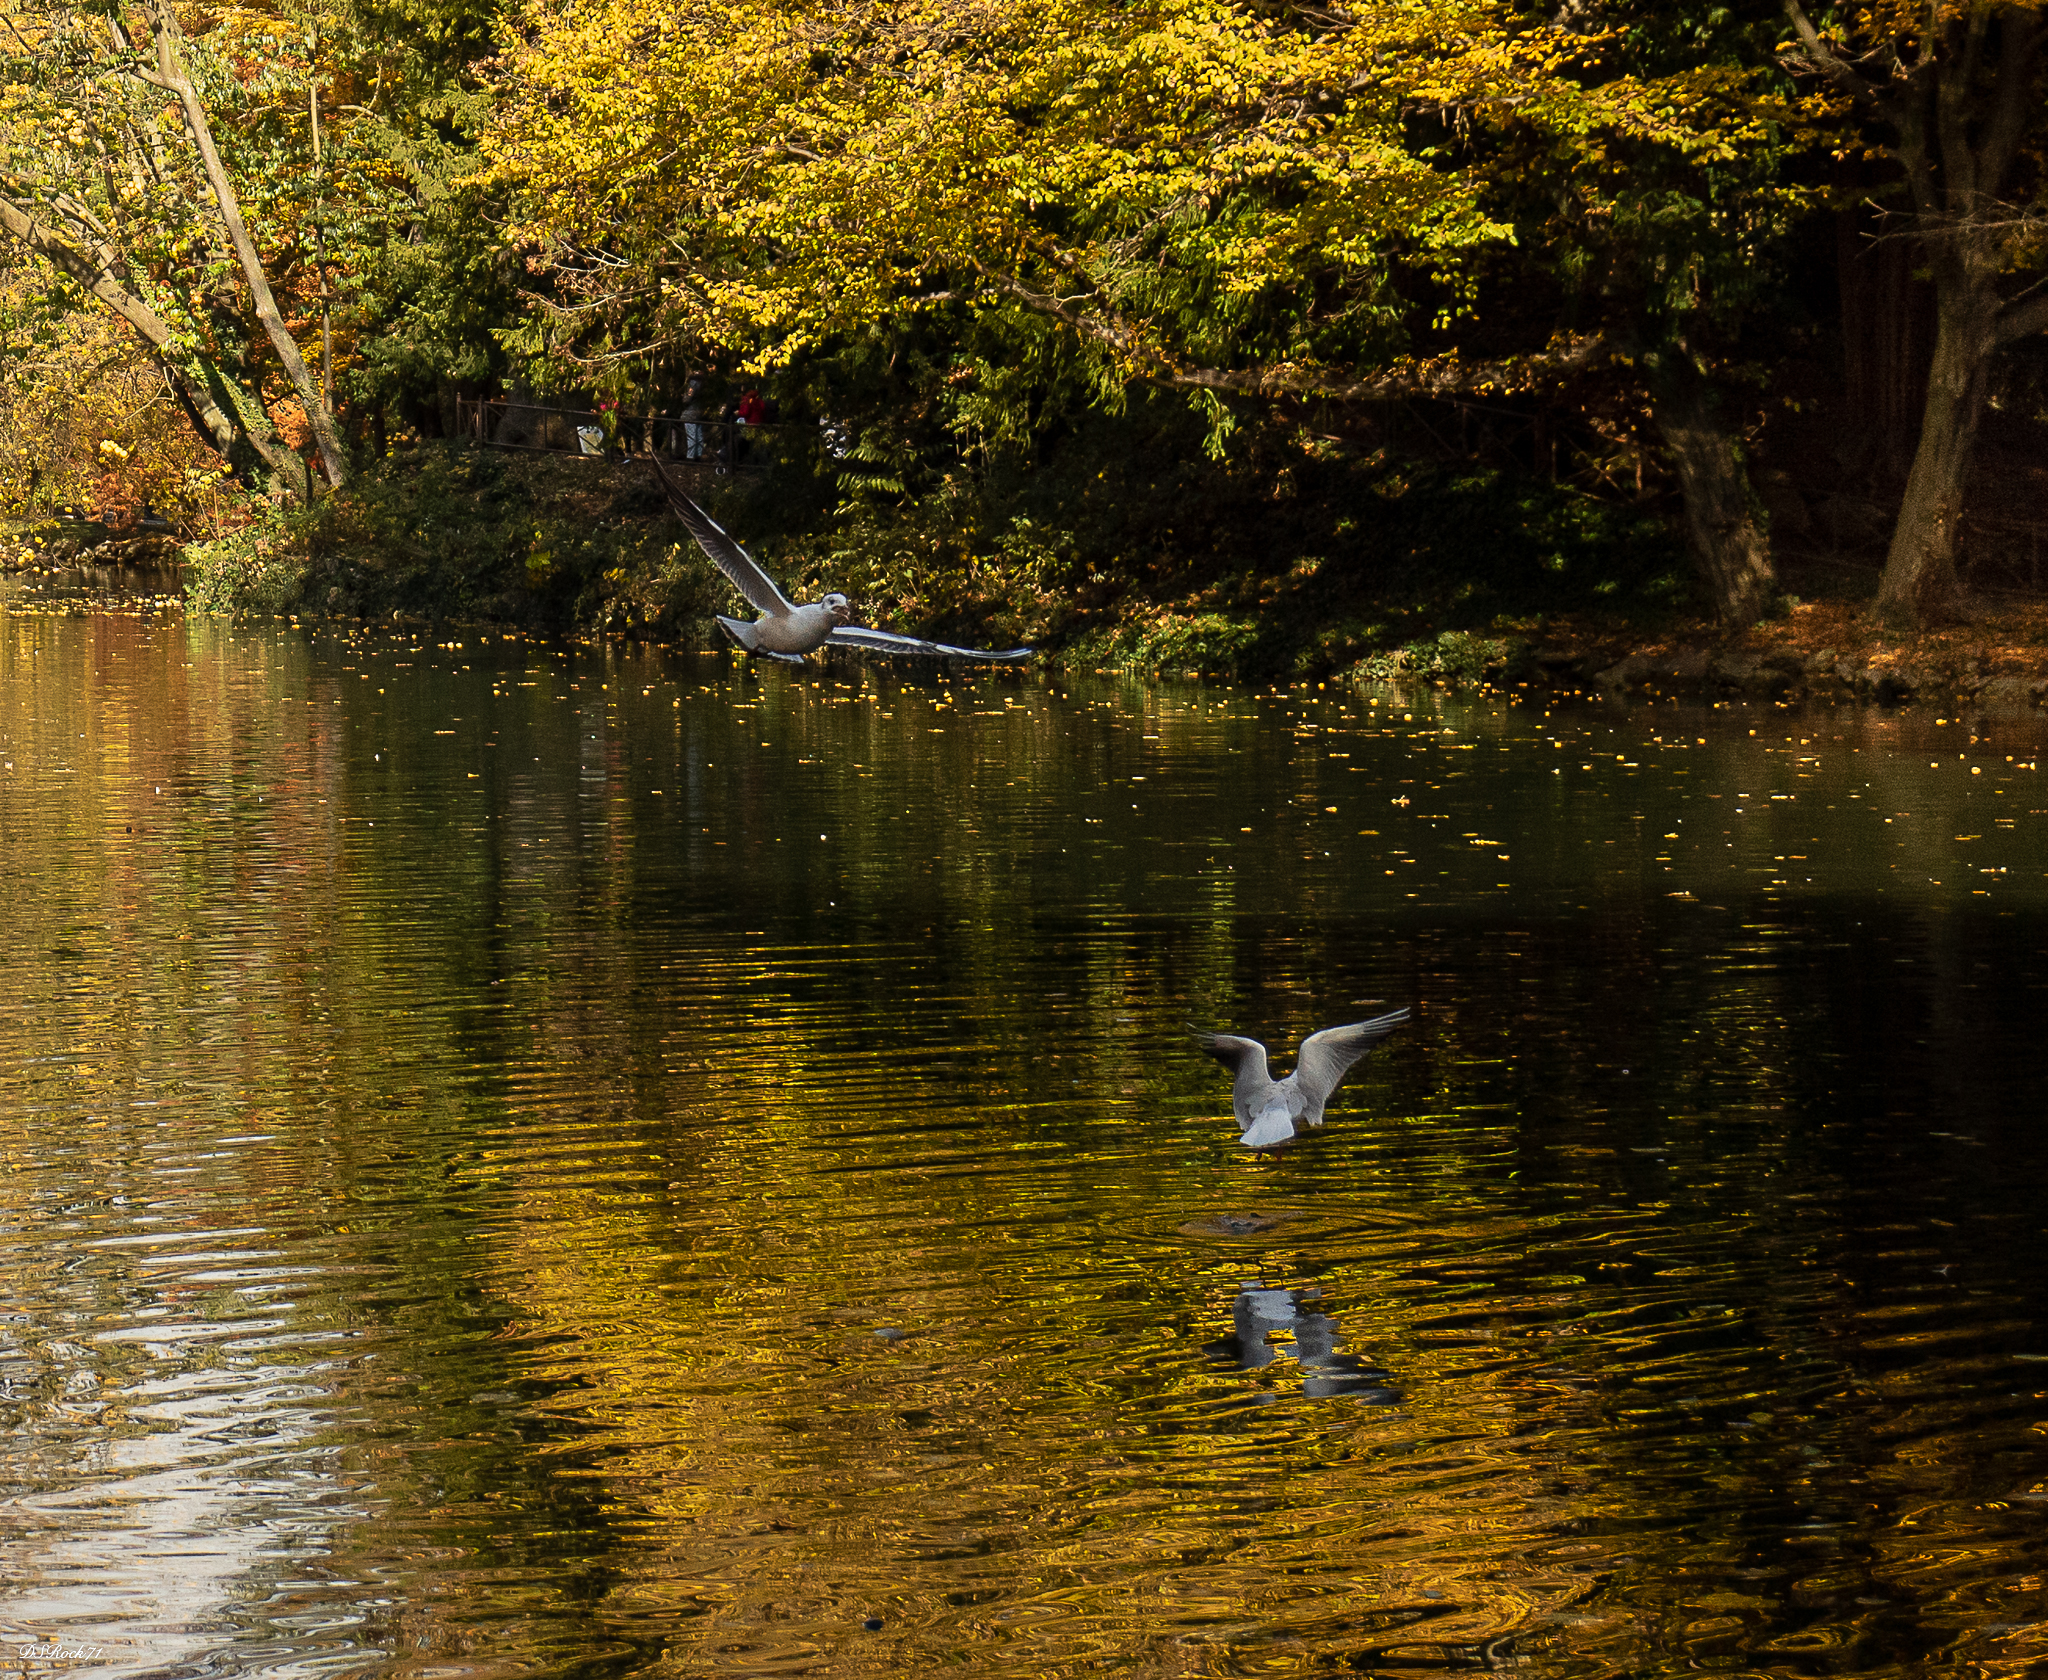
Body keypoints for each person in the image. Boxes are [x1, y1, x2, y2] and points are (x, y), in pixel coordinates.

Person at [679, 376, 705, 461]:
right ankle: (698, 454)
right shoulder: (703, 385)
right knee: (699, 436)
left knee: (691, 436)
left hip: (690, 413)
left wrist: (684, 397)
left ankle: (690, 457)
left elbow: (687, 400)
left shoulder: (692, 384)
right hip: (699, 413)